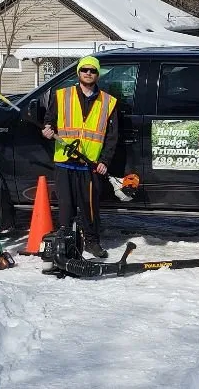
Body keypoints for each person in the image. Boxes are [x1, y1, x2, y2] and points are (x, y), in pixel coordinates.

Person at [41, 56, 119, 258]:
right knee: (66, 206)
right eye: (84, 69)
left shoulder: (108, 102)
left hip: (90, 164)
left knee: (89, 207)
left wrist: (104, 161)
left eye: (92, 70)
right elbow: (49, 121)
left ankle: (92, 242)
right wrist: (48, 130)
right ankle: (66, 242)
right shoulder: (61, 96)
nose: (88, 73)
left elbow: (112, 137)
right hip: (65, 162)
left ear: (97, 74)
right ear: (78, 72)